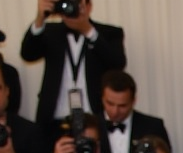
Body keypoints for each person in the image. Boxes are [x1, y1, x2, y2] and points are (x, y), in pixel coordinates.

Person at [19, 0, 125, 132]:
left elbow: (118, 64)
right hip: (54, 121)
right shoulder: (50, 31)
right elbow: (28, 54)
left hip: (94, 119)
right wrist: (40, 19)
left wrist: (88, 31)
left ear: (88, 6)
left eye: (76, 3)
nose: (71, 8)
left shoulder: (110, 33)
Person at [99, 69, 168, 153]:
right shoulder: (90, 127)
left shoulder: (153, 127)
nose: (115, 111)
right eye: (110, 104)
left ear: (133, 101)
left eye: (122, 106)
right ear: (102, 98)